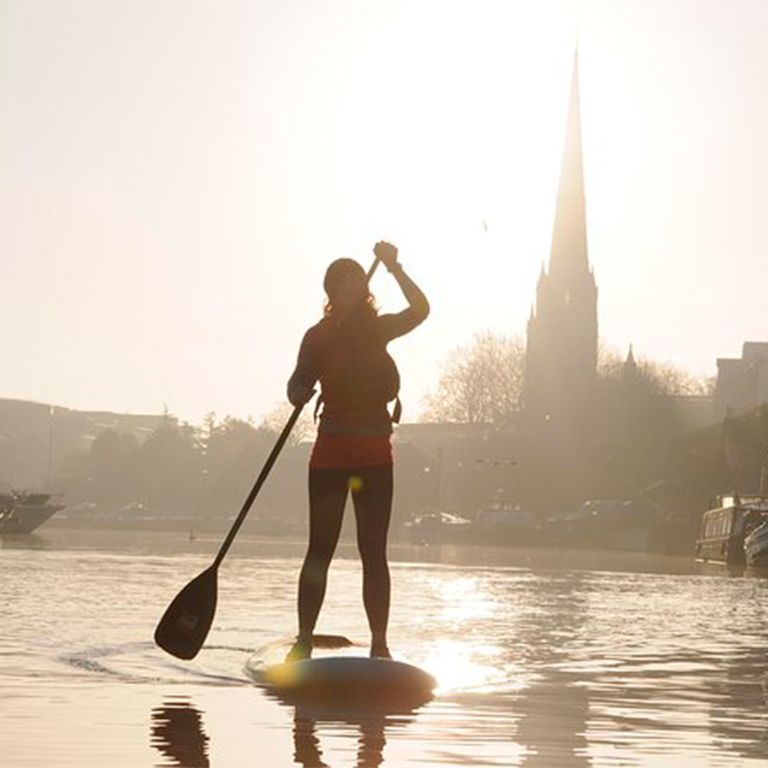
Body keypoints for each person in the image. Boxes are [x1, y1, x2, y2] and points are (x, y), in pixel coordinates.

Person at [285, 241, 429, 661]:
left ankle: (380, 645)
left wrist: (395, 267)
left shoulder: (378, 328)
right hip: (330, 455)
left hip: (373, 455)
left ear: (363, 290)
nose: (346, 288)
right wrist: (298, 393)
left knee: (373, 551)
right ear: (330, 293)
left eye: (352, 281)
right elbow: (296, 382)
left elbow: (421, 310)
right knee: (320, 548)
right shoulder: (318, 337)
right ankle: (304, 639)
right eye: (338, 283)